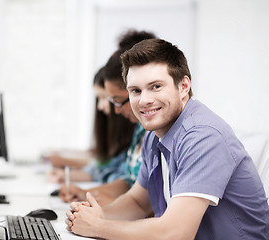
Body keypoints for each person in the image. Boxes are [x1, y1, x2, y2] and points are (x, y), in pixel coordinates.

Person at [65, 38, 269, 239]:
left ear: (183, 87)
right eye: (135, 91)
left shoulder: (203, 136)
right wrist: (93, 216)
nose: (144, 100)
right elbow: (137, 202)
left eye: (155, 86)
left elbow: (176, 233)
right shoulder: (154, 136)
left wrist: (98, 227)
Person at [59, 30, 156, 205]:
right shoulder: (141, 130)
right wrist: (87, 195)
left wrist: (100, 208)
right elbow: (129, 183)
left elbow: (148, 206)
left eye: (114, 100)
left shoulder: (165, 133)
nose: (114, 110)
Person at [46, 66, 136, 184]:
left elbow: (122, 179)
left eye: (104, 98)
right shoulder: (124, 135)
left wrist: (68, 171)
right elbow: (105, 165)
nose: (100, 106)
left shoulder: (137, 132)